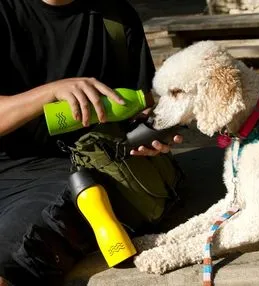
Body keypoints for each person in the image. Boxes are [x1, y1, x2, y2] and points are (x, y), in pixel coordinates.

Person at [0, 0, 182, 285]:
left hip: (77, 172)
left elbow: (140, 104)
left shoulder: (116, 18)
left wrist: (150, 133)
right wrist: (51, 92)